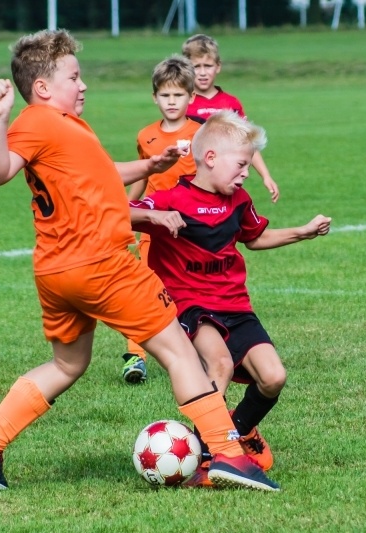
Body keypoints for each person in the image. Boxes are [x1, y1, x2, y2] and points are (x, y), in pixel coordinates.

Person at [0, 29, 279, 492]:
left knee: (67, 365)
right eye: (73, 77)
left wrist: (149, 166)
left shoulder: (63, 127)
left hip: (57, 271)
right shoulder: (38, 121)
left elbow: (99, 174)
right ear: (42, 87)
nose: (83, 84)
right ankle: (228, 453)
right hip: (102, 264)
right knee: (179, 350)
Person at [130, 110, 331, 488]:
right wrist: (154, 219)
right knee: (219, 363)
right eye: (241, 164)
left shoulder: (238, 200)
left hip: (235, 305)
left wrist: (302, 232)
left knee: (273, 377)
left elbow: (255, 238)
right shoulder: (172, 199)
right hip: (189, 304)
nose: (246, 173)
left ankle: (240, 430)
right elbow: (115, 214)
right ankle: (207, 458)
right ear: (210, 158)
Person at [119, 55, 203, 385]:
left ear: (191, 96)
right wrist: (128, 209)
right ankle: (135, 356)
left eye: (178, 95)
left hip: (190, 228)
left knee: (192, 289)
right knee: (144, 290)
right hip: (153, 227)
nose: (171, 101)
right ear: (154, 97)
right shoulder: (146, 136)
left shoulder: (201, 134)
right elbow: (144, 174)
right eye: (165, 95)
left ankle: (197, 349)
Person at [181, 33, 280, 204]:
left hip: (223, 183)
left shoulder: (230, 103)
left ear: (218, 66)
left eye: (208, 66)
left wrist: (266, 175)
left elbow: (247, 142)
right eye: (196, 66)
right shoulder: (182, 102)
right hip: (190, 183)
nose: (202, 72)